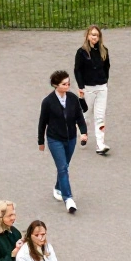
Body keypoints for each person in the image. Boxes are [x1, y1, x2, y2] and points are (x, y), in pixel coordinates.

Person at [37, 70, 88, 214]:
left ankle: (58, 187)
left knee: (64, 166)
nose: (67, 86)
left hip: (70, 138)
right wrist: (41, 141)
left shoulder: (72, 98)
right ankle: (69, 199)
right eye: (64, 84)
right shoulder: (48, 102)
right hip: (55, 139)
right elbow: (42, 123)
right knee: (63, 168)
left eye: (68, 83)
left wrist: (83, 132)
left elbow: (79, 117)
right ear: (55, 85)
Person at [74, 26, 111, 155]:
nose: (94, 37)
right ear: (87, 36)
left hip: (101, 88)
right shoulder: (82, 52)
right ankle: (83, 133)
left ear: (99, 37)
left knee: (100, 116)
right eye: (92, 34)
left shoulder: (104, 51)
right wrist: (81, 87)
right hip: (88, 88)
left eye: (96, 35)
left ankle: (100, 144)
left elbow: (107, 68)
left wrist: (104, 81)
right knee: (85, 115)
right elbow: (77, 70)